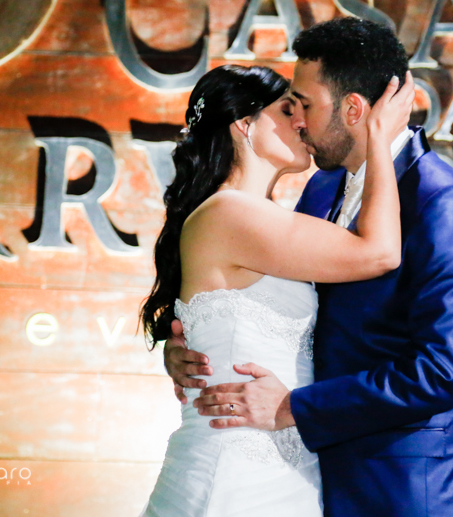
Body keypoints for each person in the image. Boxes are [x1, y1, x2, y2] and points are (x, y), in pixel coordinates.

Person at [165, 18, 453, 516]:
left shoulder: (442, 202)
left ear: (352, 109)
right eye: (290, 108)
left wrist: (292, 406)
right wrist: (197, 345)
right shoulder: (320, 189)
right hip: (311, 472)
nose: (300, 121)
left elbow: (438, 372)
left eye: (304, 105)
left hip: (411, 486)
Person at [139, 61, 415, 516]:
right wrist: (378, 138)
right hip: (236, 474)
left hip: (284, 465)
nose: (303, 121)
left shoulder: (262, 214)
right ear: (243, 124)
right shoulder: (229, 213)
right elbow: (379, 253)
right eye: (288, 110)